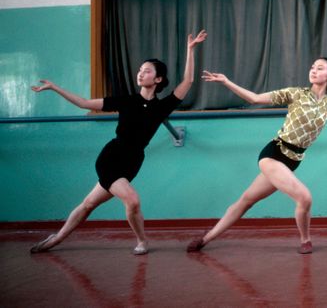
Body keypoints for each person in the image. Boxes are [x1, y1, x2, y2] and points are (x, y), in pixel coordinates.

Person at [187, 29, 327, 254]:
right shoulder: (295, 93)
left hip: (294, 159)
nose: (313, 70)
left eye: (319, 68)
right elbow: (254, 98)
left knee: (245, 200)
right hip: (274, 153)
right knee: (305, 197)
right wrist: (226, 82)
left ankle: (206, 239)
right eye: (312, 67)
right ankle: (305, 240)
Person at [29, 30, 207, 255]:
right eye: (140, 70)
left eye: (147, 71)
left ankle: (57, 238)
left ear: (158, 79)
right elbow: (84, 103)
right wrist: (55, 87)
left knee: (88, 204)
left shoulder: (162, 106)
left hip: (133, 161)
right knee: (132, 200)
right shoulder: (126, 101)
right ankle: (142, 241)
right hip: (112, 157)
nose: (141, 74)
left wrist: (190, 50)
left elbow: (188, 80)